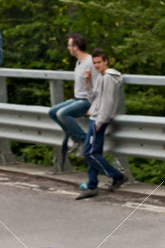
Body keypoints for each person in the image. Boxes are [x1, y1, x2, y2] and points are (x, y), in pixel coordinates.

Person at [76, 50, 126, 199]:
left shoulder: (109, 78)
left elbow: (108, 102)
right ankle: (92, 186)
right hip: (95, 116)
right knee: (93, 152)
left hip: (99, 119)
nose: (96, 65)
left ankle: (117, 176)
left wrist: (100, 120)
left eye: (99, 62)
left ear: (106, 61)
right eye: (95, 63)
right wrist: (87, 83)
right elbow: (94, 99)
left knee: (89, 153)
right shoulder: (101, 77)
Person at [48, 33, 93, 157]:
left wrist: (95, 105)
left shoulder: (90, 62)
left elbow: (100, 84)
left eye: (69, 45)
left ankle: (84, 140)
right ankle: (76, 138)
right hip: (78, 98)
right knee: (52, 112)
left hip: (87, 100)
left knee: (62, 113)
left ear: (76, 46)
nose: (68, 48)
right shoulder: (79, 62)